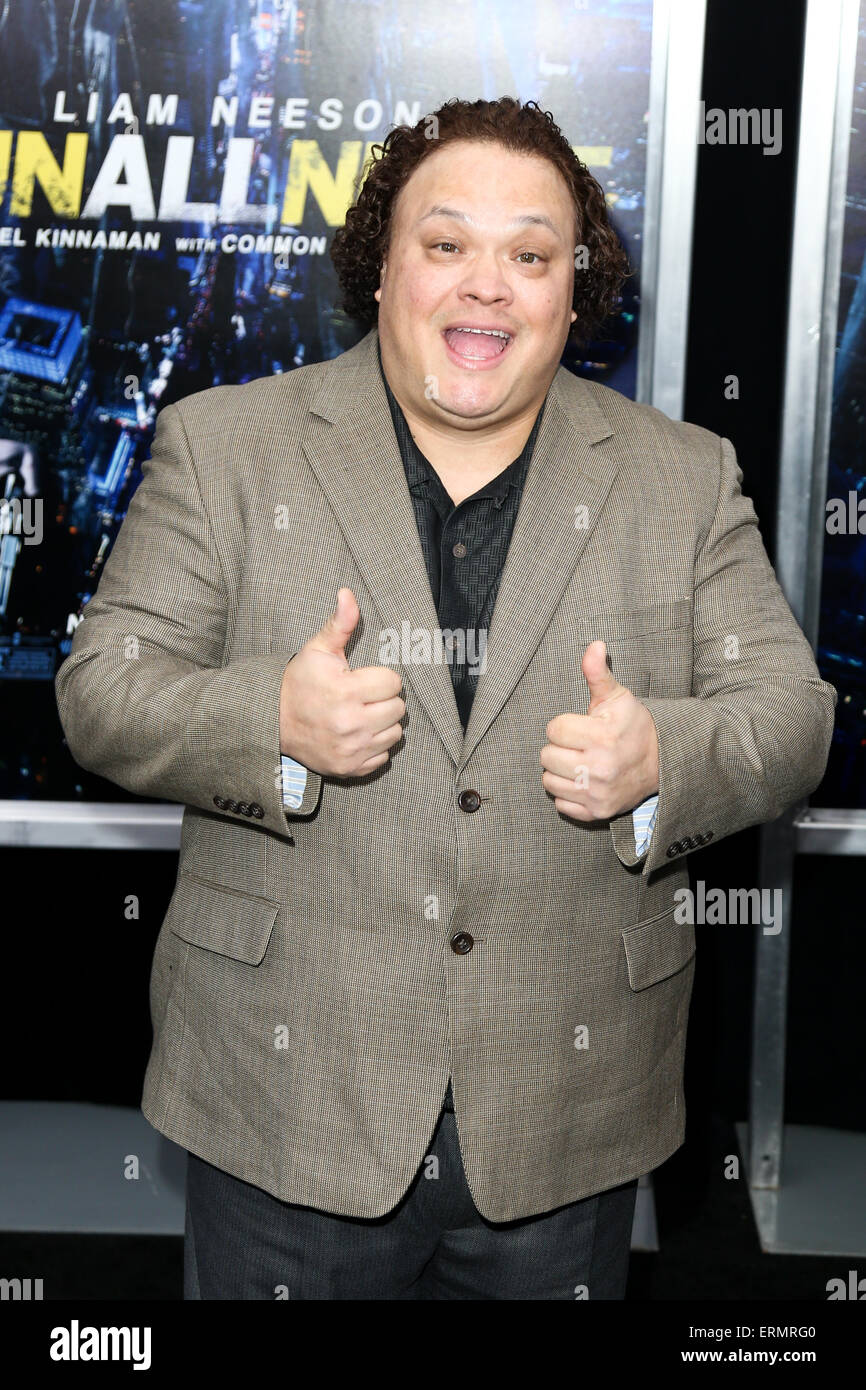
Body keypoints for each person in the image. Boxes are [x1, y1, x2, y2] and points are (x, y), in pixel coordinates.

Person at [55, 96, 836, 1300]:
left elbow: (792, 715)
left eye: (529, 256)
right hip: (285, 1106)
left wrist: (660, 760)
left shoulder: (682, 477)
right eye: (445, 244)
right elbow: (101, 691)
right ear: (380, 271)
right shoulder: (224, 448)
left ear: (571, 296)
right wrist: (267, 720)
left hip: (563, 1117)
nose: (488, 286)